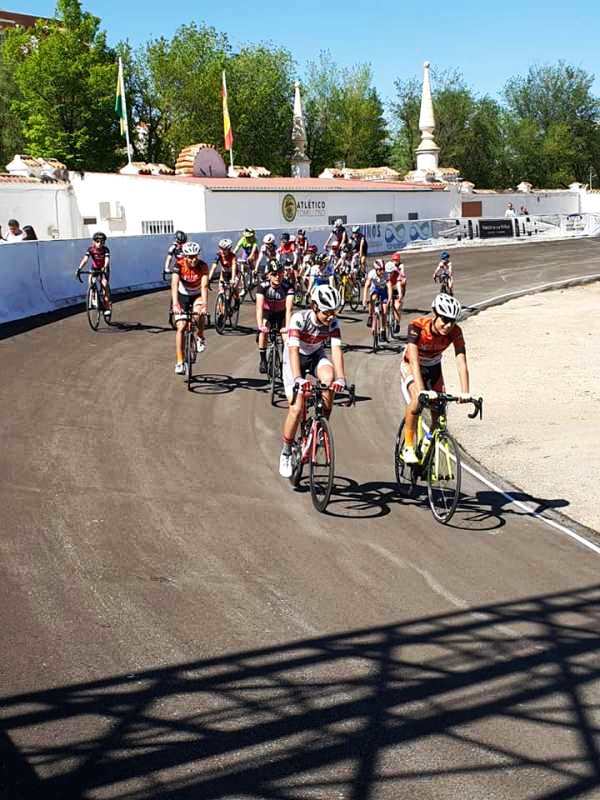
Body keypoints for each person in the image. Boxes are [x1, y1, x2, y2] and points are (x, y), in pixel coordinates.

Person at [279, 284, 347, 477]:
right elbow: (292, 350)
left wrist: (341, 378)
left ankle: (321, 424)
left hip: (316, 354)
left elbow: (336, 350)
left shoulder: (333, 323)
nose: (331, 316)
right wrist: (298, 378)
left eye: (334, 311)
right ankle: (285, 451)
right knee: (297, 407)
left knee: (329, 379)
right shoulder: (299, 319)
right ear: (315, 307)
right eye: (327, 312)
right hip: (294, 359)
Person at [400, 294, 472, 464]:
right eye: (444, 320)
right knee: (417, 399)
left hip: (434, 367)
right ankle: (408, 446)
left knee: (440, 418)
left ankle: (426, 445)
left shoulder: (455, 331)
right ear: (435, 314)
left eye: (452, 321)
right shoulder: (417, 326)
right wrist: (422, 390)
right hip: (412, 364)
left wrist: (465, 392)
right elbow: (414, 359)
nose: (448, 326)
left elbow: (461, 360)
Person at [171, 241, 209, 374]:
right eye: (190, 257)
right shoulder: (178, 265)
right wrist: (175, 303)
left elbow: (204, 286)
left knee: (199, 314)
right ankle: (180, 362)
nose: (193, 259)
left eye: (195, 256)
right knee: (181, 327)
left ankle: (200, 336)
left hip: (197, 295)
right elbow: (174, 284)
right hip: (182, 296)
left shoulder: (203, 266)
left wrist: (204, 304)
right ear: (185, 256)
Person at [256, 260, 294, 374]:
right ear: (269, 275)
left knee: (286, 338)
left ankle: (285, 362)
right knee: (263, 331)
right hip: (268, 313)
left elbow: (289, 309)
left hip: (282, 314)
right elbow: (259, 307)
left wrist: (287, 327)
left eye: (280, 273)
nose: (278, 276)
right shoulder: (263, 286)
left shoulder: (288, 286)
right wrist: (260, 326)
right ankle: (263, 360)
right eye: (274, 274)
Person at [77, 231, 112, 319]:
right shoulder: (90, 249)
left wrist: (104, 266)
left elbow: (107, 260)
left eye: (102, 242)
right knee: (90, 281)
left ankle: (107, 306)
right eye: (97, 241)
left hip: (104, 269)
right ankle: (93, 297)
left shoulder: (105, 249)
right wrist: (79, 268)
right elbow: (85, 259)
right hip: (95, 268)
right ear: (93, 242)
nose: (100, 244)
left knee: (104, 285)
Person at [209, 238, 240, 306]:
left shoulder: (233, 256)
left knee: (234, 287)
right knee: (221, 290)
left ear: (229, 249)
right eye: (221, 248)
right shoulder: (218, 255)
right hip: (224, 273)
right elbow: (214, 267)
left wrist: (232, 279)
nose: (222, 251)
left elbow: (234, 267)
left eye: (224, 249)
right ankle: (221, 311)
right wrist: (209, 278)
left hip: (234, 273)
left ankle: (237, 299)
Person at [364, 259, 389, 341]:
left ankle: (383, 330)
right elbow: (366, 286)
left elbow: (389, 287)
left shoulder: (386, 274)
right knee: (373, 298)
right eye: (380, 270)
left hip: (383, 290)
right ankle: (370, 316)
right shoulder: (372, 274)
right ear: (376, 269)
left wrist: (389, 299)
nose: (382, 272)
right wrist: (364, 299)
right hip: (375, 289)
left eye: (383, 269)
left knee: (384, 311)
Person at [385, 252, 406, 335]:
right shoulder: (386, 271)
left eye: (396, 260)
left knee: (397, 307)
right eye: (394, 260)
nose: (395, 261)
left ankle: (397, 323)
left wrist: (400, 295)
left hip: (397, 287)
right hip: (389, 288)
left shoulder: (399, 269)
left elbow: (398, 284)